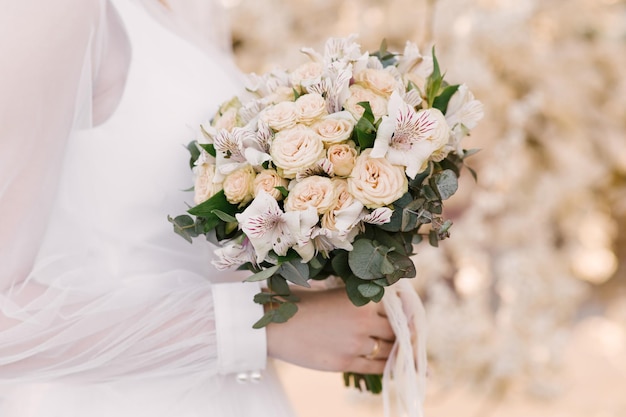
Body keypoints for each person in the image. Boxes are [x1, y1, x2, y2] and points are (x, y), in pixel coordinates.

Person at [0, 1, 396, 416]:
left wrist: (328, 267)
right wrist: (261, 327)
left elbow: (178, 243)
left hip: (231, 395)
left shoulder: (178, 11)